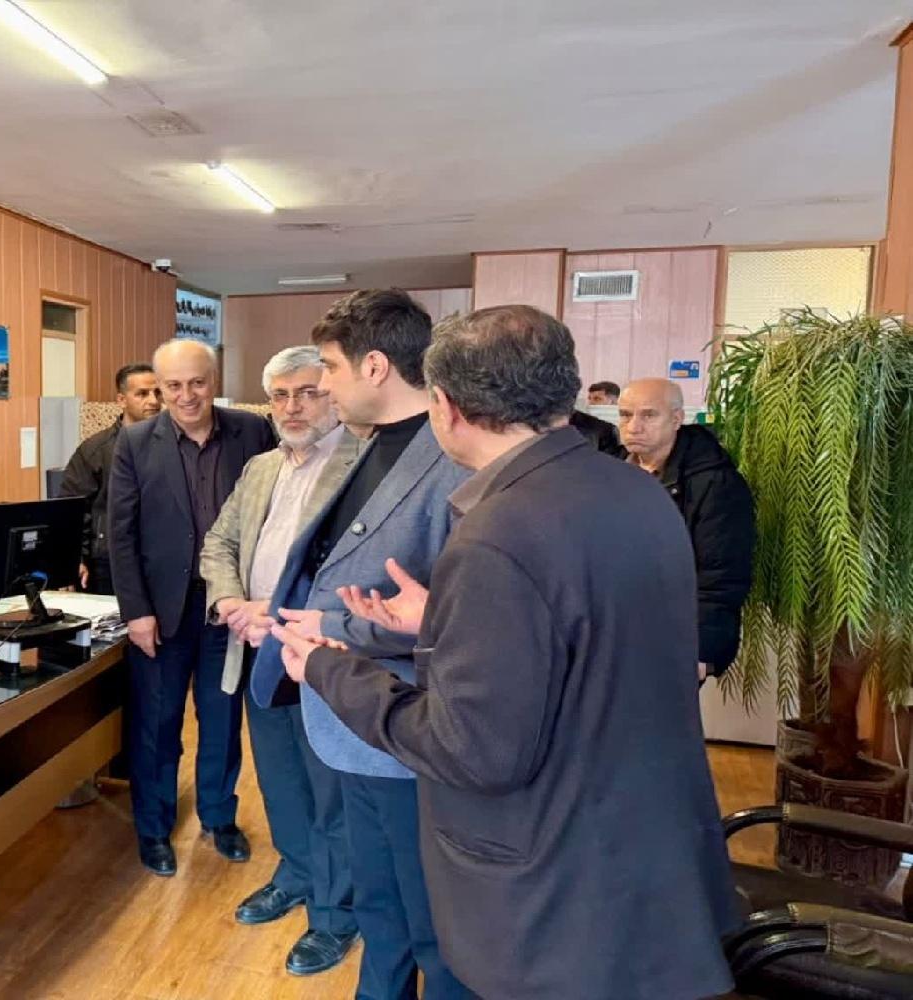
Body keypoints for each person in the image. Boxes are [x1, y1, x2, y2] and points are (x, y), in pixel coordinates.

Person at [274, 305, 737, 1000]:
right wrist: (443, 618)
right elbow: (583, 642)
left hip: (555, 889)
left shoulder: (498, 532)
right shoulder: (634, 491)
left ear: (446, 406)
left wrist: (327, 667)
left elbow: (471, 750)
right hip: (646, 860)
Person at [252, 290, 471, 1000]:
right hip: (349, 720)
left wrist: (334, 630)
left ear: (375, 366)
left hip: (407, 725)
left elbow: (458, 614)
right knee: (379, 907)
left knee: (432, 923)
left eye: (330, 368)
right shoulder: (368, 445)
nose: (323, 385)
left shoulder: (454, 459)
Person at [199, 346, 360, 976]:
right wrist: (230, 602)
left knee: (331, 789)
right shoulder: (261, 466)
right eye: (281, 395)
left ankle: (336, 912)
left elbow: (352, 570)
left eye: (308, 392)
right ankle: (296, 873)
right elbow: (220, 542)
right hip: (257, 649)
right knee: (280, 777)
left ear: (334, 396)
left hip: (319, 653)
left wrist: (275, 609)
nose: (293, 407)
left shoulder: (361, 464)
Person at [108, 338, 275, 876]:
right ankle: (154, 829)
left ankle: (220, 818)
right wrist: (136, 611)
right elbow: (121, 533)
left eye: (197, 383)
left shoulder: (252, 432)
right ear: (160, 388)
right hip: (161, 612)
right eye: (173, 386)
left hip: (229, 608)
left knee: (222, 720)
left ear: (214, 381)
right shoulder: (136, 442)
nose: (186, 396)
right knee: (157, 726)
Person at [618, 377, 756, 678]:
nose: (633, 426)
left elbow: (721, 577)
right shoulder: (612, 473)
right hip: (617, 632)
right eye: (626, 415)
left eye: (648, 415)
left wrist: (701, 650)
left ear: (677, 419)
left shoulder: (715, 483)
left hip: (676, 636)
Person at [59, 363, 162, 594]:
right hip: (109, 562)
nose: (153, 401)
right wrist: (73, 559)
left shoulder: (174, 445)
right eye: (142, 394)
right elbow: (71, 508)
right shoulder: (96, 450)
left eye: (157, 392)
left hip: (161, 559)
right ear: (121, 400)